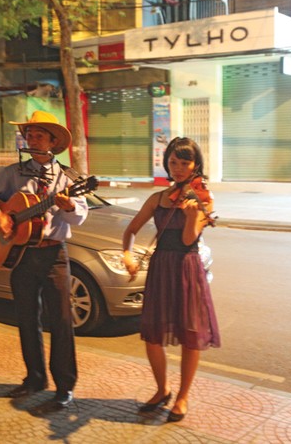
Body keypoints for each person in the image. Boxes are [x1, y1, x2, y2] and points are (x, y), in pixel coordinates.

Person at [0, 111, 88, 410]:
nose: (33, 138)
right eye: (30, 134)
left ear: (53, 141)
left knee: (62, 322)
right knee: (26, 318)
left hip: (54, 256)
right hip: (23, 256)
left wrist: (68, 205)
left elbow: (80, 217)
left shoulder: (69, 178)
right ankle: (34, 378)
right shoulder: (13, 174)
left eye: (39, 134)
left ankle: (65, 387)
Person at [122, 137, 220, 423]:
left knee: (191, 335)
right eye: (173, 162)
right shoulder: (157, 199)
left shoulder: (203, 198)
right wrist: (127, 255)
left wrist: (192, 217)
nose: (178, 168)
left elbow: (189, 238)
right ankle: (162, 389)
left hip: (187, 268)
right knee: (152, 335)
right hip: (160, 268)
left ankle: (182, 397)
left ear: (196, 165)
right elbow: (131, 230)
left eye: (185, 163)